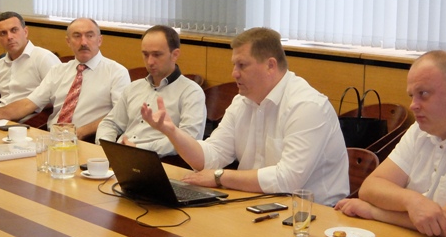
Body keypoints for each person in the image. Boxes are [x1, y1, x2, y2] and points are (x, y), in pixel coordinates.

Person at [140, 27, 349, 205]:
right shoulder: (242, 101)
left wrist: (220, 177)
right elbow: (211, 157)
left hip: (312, 214)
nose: (234, 73)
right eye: (234, 65)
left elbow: (287, 180)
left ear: (270, 66)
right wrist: (172, 132)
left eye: (242, 65)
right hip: (258, 202)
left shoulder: (306, 106)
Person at [335, 50, 446, 237]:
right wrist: (412, 201)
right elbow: (371, 187)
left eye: (423, 94)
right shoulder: (422, 128)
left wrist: (375, 212)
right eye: (412, 96)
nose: (413, 105)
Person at [0, 18, 130, 140]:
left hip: (88, 140)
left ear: (99, 40)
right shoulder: (58, 71)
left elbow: (120, 115)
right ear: (68, 41)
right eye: (77, 36)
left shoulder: (116, 73)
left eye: (90, 36)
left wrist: (80, 132)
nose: (83, 42)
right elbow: (28, 104)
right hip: (52, 138)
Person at [96, 25, 206, 157]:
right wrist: (106, 146)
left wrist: (138, 149)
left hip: (159, 160)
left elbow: (189, 139)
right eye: (145, 54)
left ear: (175, 55)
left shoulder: (191, 92)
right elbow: (110, 123)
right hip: (120, 155)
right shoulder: (133, 87)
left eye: (157, 55)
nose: (150, 61)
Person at [0, 12, 60, 117]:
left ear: (25, 32)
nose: (9, 37)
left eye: (14, 30)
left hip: (31, 118)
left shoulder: (43, 58)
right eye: (3, 33)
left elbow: (58, 97)